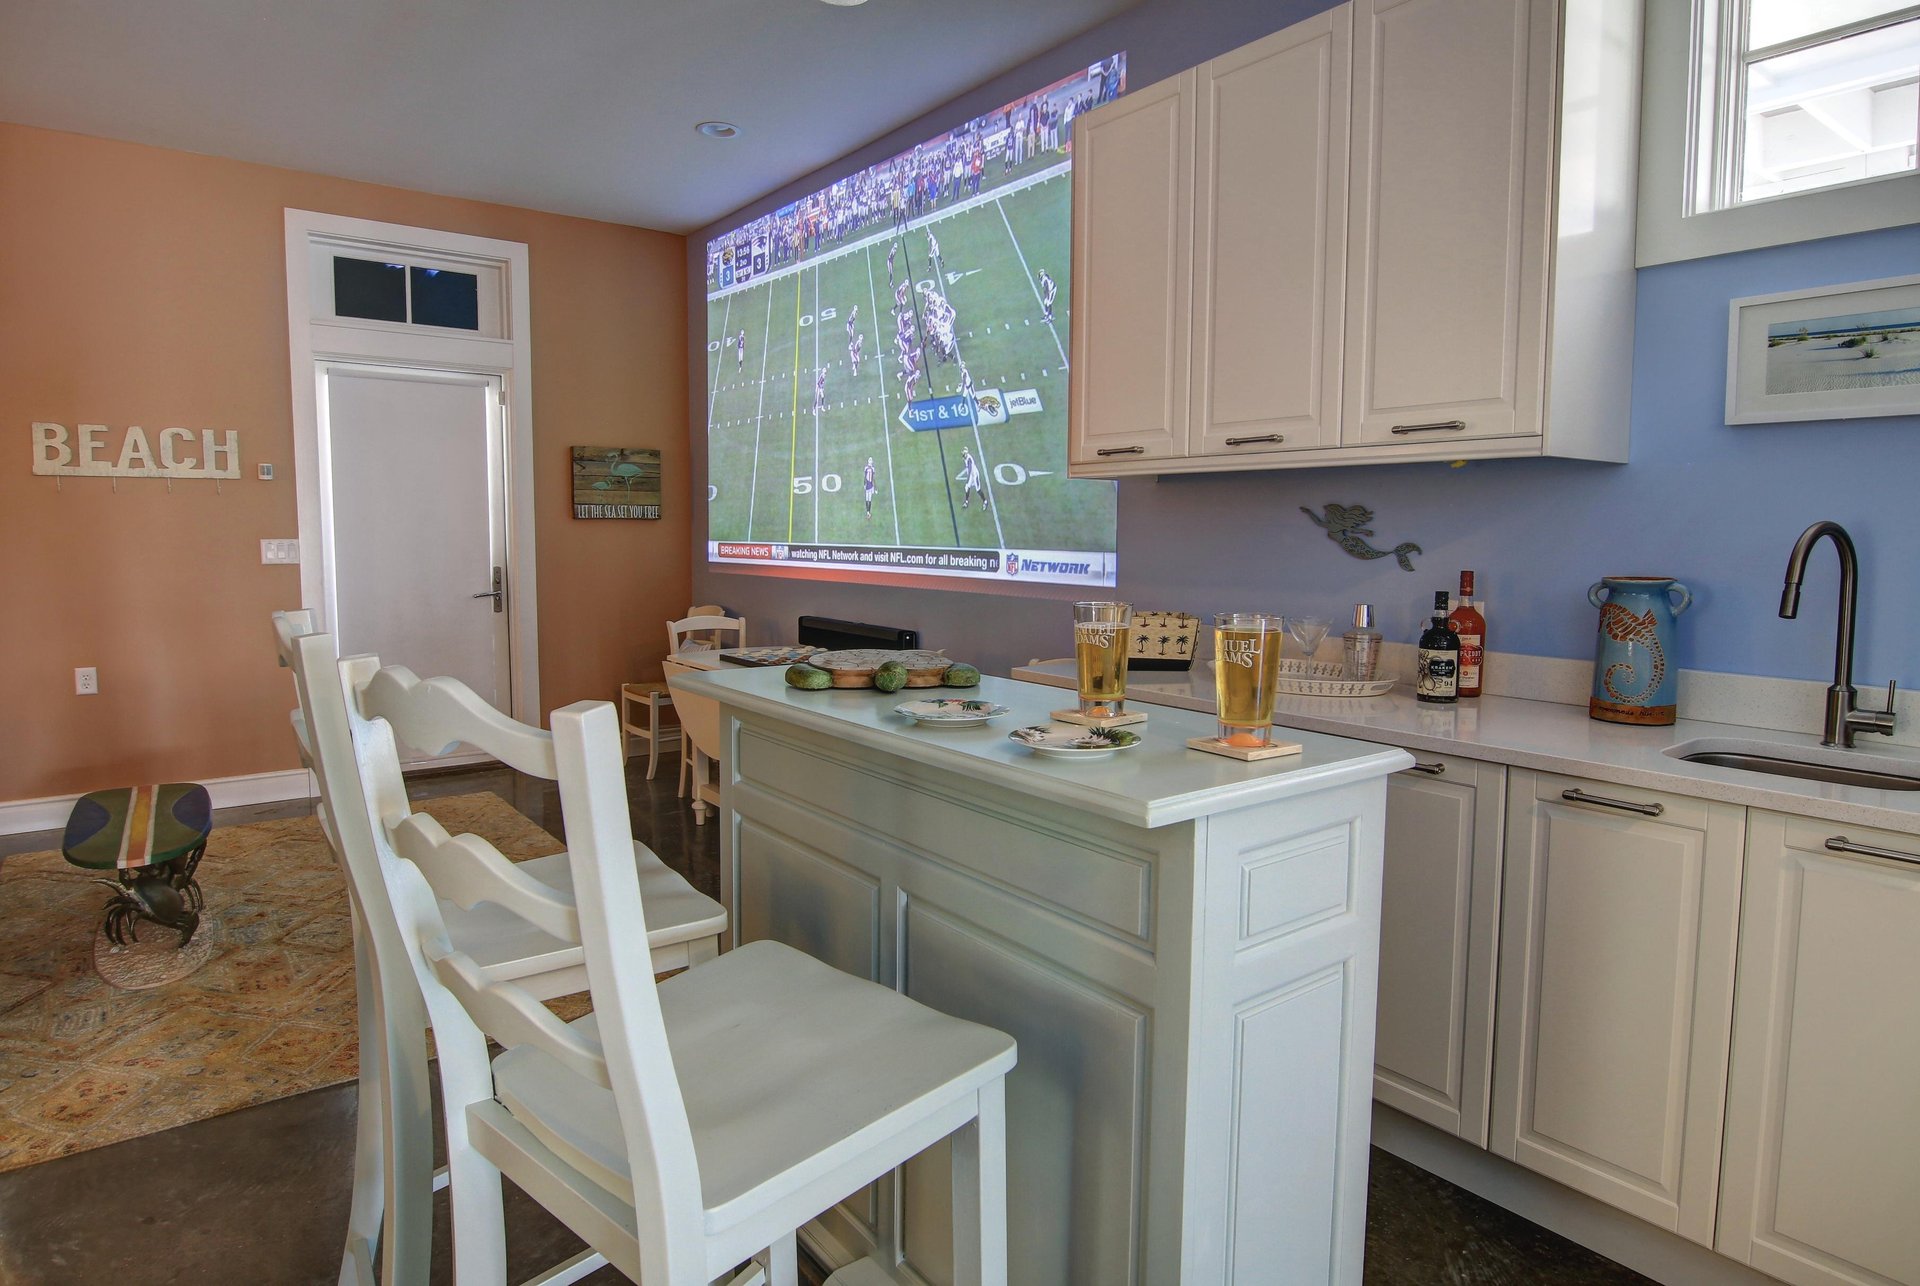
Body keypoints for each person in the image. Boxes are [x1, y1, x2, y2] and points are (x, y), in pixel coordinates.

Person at [955, 447, 988, 511]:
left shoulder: (969, 459)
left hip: (975, 475)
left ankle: (985, 501)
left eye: (963, 454)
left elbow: (970, 469)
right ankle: (966, 502)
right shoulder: (966, 458)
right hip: (971, 475)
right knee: (967, 487)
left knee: (978, 490)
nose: (962, 455)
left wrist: (968, 479)